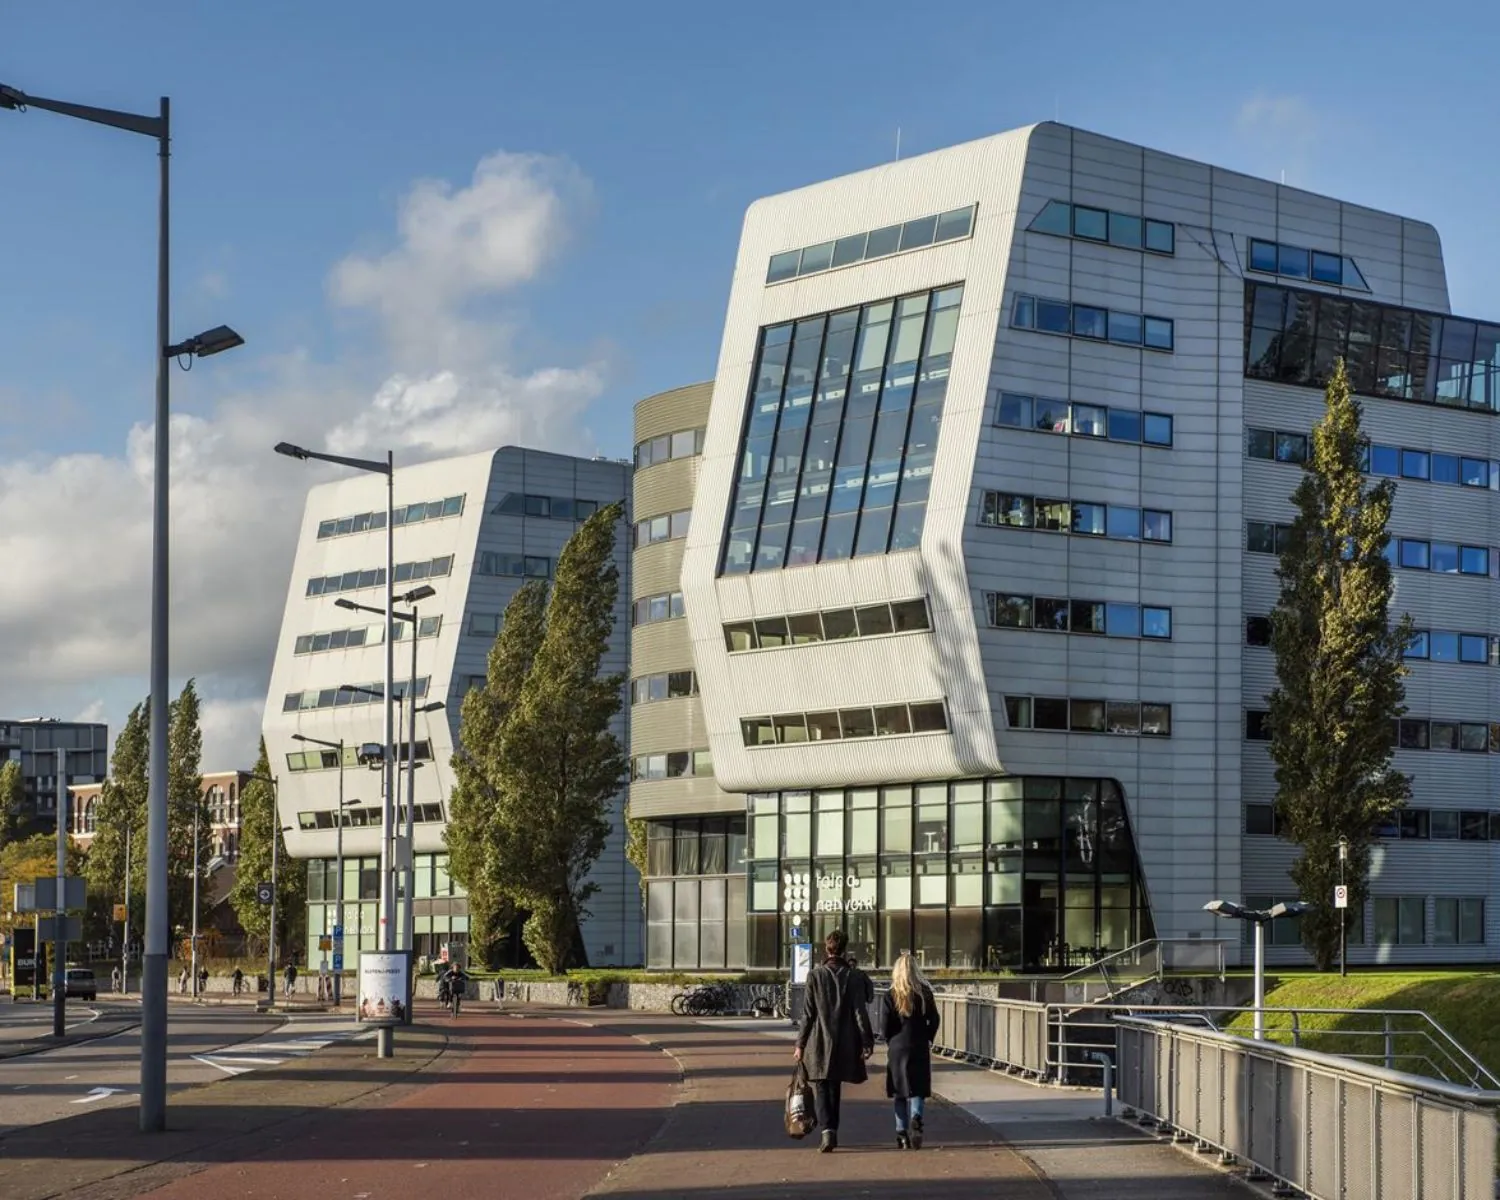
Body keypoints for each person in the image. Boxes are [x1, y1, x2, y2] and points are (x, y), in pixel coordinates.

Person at [794, 929, 874, 1152]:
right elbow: (862, 1008)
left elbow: (808, 1013)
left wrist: (800, 1044)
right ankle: (832, 1130)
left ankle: (827, 1131)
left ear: (826, 948)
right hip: (845, 1040)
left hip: (819, 1039)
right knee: (835, 1086)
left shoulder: (815, 975)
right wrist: (867, 1041)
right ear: (844, 949)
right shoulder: (854, 976)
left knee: (822, 1085)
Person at [882, 952, 941, 1150]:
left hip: (898, 1046)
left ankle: (901, 1133)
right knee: (917, 1089)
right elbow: (935, 1019)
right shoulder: (924, 992)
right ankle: (917, 1119)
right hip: (919, 1044)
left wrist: (890, 1039)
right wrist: (928, 1036)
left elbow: (884, 1026)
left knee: (899, 1091)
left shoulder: (890, 995)